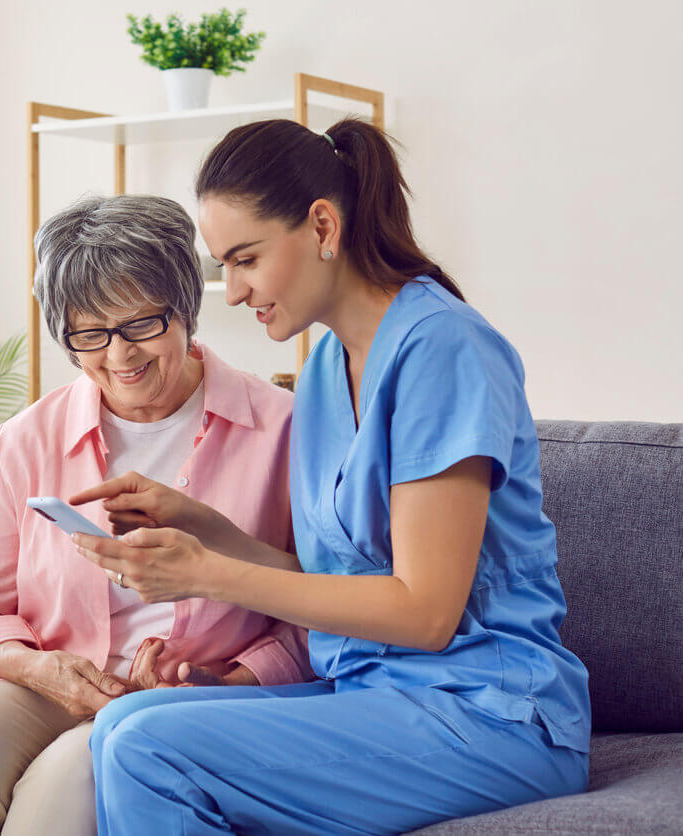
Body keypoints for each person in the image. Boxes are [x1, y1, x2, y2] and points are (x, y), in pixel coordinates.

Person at [72, 119, 591, 835]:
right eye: (223, 266)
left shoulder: (443, 348)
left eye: (245, 259)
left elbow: (425, 613)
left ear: (322, 225)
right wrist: (202, 529)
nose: (231, 292)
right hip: (373, 690)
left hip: (491, 711)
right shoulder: (321, 372)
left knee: (148, 748)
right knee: (125, 723)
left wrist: (204, 576)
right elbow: (342, 580)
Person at [0, 195, 311, 836]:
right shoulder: (27, 440)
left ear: (185, 310)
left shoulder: (281, 430)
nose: (120, 355)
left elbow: (326, 606)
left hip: (193, 700)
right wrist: (37, 665)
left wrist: (228, 676)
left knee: (60, 789)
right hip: (50, 677)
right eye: (90, 334)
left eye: (142, 324)